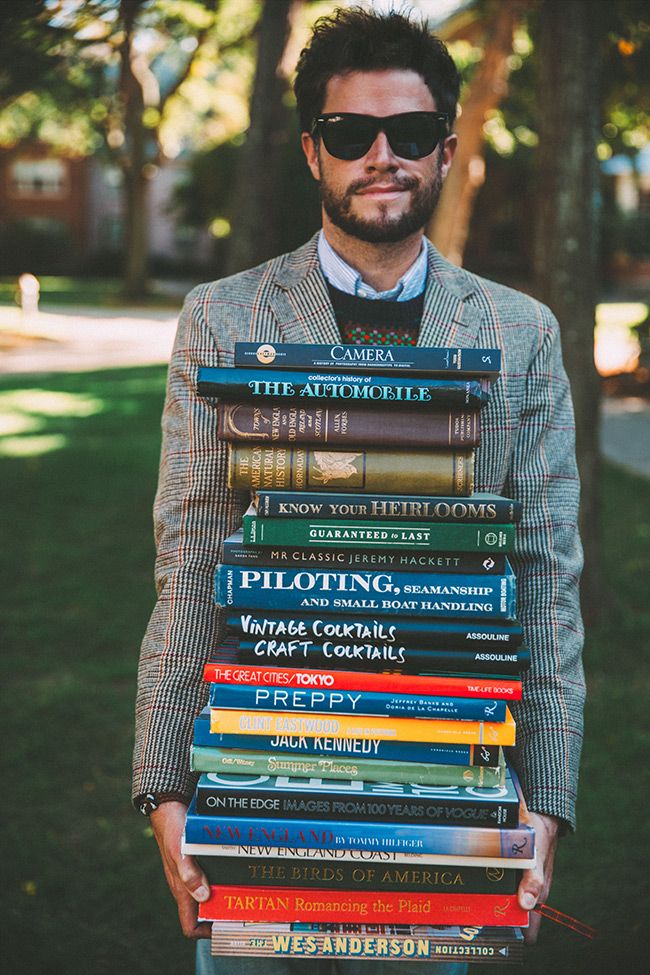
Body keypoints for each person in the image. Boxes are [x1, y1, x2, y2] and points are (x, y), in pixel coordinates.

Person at [132, 8, 585, 973]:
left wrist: (541, 809)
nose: (383, 156)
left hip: (449, 804)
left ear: (447, 150)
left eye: (411, 134)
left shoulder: (522, 333)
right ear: (312, 152)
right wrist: (165, 790)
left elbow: (546, 580)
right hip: (258, 795)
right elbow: (191, 559)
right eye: (351, 134)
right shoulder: (221, 321)